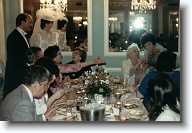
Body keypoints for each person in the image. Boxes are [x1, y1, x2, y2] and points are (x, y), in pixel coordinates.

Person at [3, 13, 33, 100]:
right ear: (22, 22)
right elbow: (17, 57)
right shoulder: (13, 37)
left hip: (20, 71)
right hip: (15, 73)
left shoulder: (22, 36)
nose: (31, 25)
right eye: (30, 22)